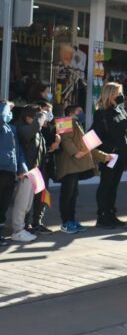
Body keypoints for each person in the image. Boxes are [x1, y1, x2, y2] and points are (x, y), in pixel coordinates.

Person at [92, 82, 127, 229]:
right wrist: (100, 153)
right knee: (106, 185)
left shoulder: (120, 110)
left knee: (114, 186)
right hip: (110, 156)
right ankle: (102, 216)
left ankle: (111, 213)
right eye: (118, 92)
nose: (121, 95)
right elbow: (95, 134)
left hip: (121, 155)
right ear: (111, 94)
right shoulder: (101, 114)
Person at [57, 105, 111, 234]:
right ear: (71, 112)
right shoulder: (64, 121)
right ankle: (66, 222)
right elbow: (65, 140)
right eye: (79, 111)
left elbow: (87, 145)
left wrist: (104, 157)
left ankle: (71, 220)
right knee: (67, 195)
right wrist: (76, 153)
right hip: (69, 165)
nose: (82, 113)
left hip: (75, 166)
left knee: (73, 195)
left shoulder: (76, 124)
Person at [16, 104, 54, 236]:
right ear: (28, 118)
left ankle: (35, 224)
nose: (44, 118)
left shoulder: (38, 131)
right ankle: (23, 227)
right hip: (26, 171)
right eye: (38, 116)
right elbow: (31, 130)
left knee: (38, 199)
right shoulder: (23, 128)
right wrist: (41, 115)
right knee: (24, 202)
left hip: (37, 170)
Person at [29, 100, 60, 234]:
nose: (49, 114)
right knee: (30, 196)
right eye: (47, 111)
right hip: (35, 165)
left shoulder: (53, 127)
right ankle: (26, 223)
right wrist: (50, 147)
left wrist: (57, 143)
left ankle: (37, 221)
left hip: (46, 165)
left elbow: (57, 148)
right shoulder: (34, 127)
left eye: (51, 111)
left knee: (43, 194)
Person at [0, 102, 27, 246]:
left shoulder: (12, 129)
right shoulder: (1, 125)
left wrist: (21, 168)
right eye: (8, 110)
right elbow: (2, 118)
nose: (10, 112)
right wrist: (5, 105)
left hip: (10, 171)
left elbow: (18, 150)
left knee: (4, 205)